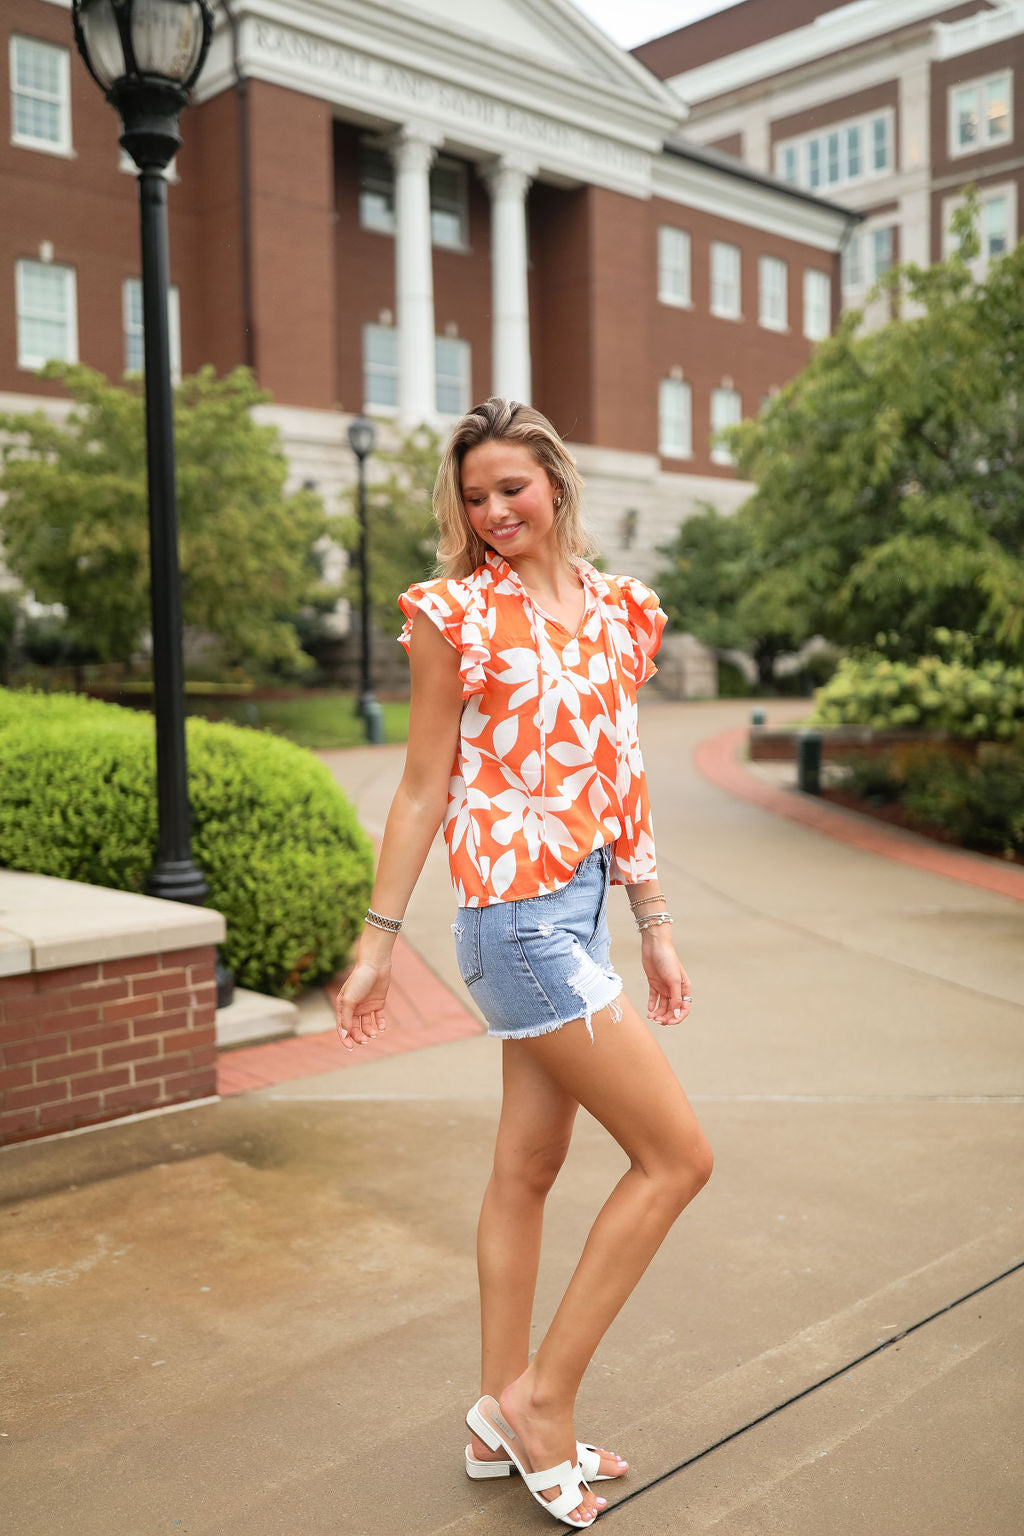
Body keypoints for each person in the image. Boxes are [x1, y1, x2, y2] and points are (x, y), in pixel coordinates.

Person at [335, 397, 713, 1528]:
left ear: (553, 481)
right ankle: (543, 1402)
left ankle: (498, 1408)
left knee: (528, 1171)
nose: (493, 511)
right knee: (677, 1159)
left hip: (581, 914)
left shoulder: (616, 613)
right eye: (473, 496)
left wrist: (651, 921)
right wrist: (375, 941)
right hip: (513, 925)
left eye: (512, 487)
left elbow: (623, 772)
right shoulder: (455, 616)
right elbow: (419, 785)